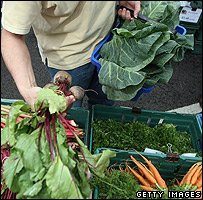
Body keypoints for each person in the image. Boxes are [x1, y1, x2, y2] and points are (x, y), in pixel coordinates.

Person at [1, 1, 141, 110]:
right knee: (69, 111)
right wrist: (28, 89)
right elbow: (12, 35)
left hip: (108, 43)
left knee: (103, 103)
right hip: (67, 59)